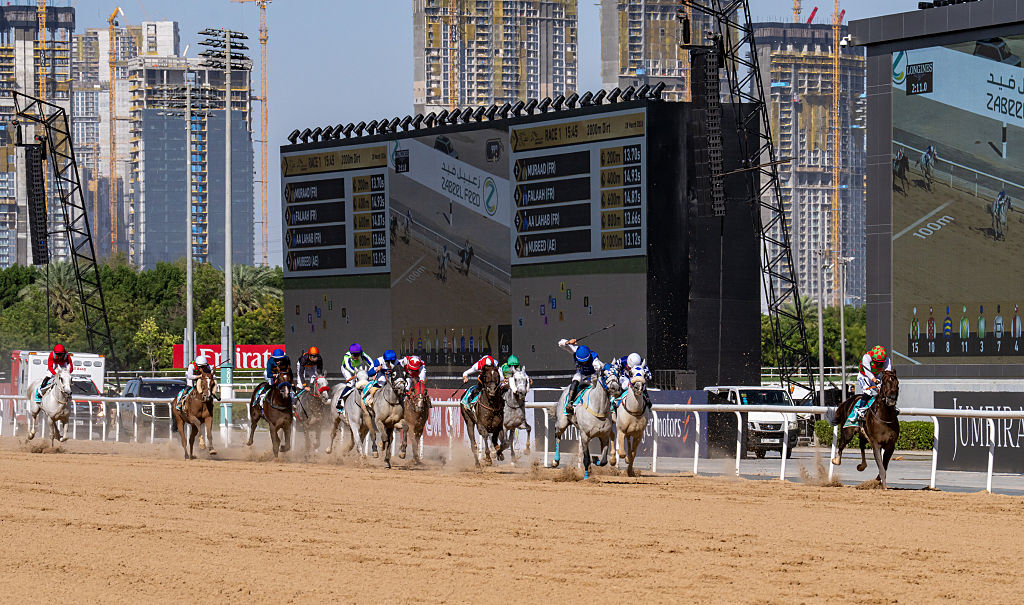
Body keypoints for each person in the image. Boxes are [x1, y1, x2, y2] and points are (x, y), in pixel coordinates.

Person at [849, 345, 893, 426]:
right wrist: (875, 380)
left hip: (876, 376)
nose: (878, 364)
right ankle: (859, 411)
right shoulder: (866, 357)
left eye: (881, 363)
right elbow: (868, 372)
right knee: (868, 392)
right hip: (864, 376)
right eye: (876, 362)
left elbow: (888, 372)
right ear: (873, 358)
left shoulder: (887, 359)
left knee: (883, 391)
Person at [558, 338, 603, 415]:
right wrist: (568, 342)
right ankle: (569, 403)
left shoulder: (594, 358)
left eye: (585, 361)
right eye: (581, 361)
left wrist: (595, 378)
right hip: (581, 374)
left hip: (592, 375)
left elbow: (598, 368)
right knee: (575, 381)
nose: (584, 363)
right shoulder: (575, 350)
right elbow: (560, 344)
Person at [338, 343, 374, 411]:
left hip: (357, 367)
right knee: (351, 383)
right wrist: (355, 373)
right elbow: (348, 366)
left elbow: (371, 363)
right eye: (354, 355)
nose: (356, 357)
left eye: (358, 355)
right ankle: (340, 400)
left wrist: (370, 371)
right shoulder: (347, 355)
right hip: (346, 369)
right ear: (351, 353)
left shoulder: (362, 354)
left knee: (365, 380)